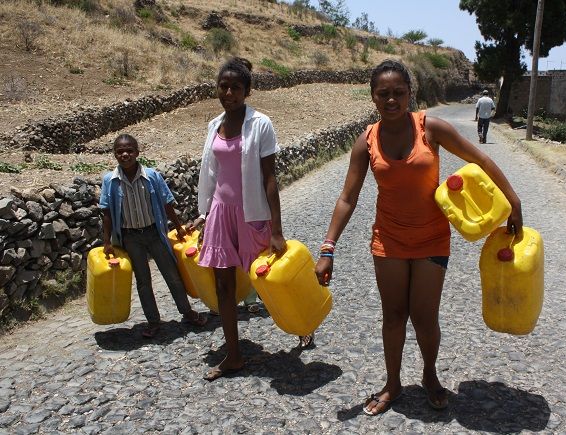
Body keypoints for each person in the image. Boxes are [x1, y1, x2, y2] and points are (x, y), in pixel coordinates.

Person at [314, 60, 523, 415]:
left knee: (425, 317)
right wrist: (328, 248)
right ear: (373, 97)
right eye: (384, 94)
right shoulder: (366, 141)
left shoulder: (431, 128)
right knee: (393, 316)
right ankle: (392, 384)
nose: (391, 100)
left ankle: (429, 375)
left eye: (399, 93)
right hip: (388, 240)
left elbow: (481, 161)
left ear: (411, 94)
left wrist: (513, 201)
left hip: (431, 239)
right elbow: (347, 198)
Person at [191, 57, 313, 382]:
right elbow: (212, 175)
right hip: (220, 213)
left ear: (247, 91)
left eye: (236, 87)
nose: (228, 92)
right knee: (223, 286)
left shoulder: (261, 124)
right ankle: (233, 356)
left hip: (251, 214)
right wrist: (204, 216)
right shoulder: (213, 125)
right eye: (223, 86)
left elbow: (270, 178)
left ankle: (303, 323)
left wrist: (277, 229)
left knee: (266, 280)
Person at [100, 134, 207, 338]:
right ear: (114, 154)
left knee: (172, 276)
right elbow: (106, 213)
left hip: (154, 233)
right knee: (143, 281)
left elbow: (167, 203)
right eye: (120, 151)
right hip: (130, 238)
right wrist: (107, 242)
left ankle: (187, 312)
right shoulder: (110, 181)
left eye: (130, 150)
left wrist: (178, 227)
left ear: (138, 152)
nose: (125, 154)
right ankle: (153, 321)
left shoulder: (152, 176)